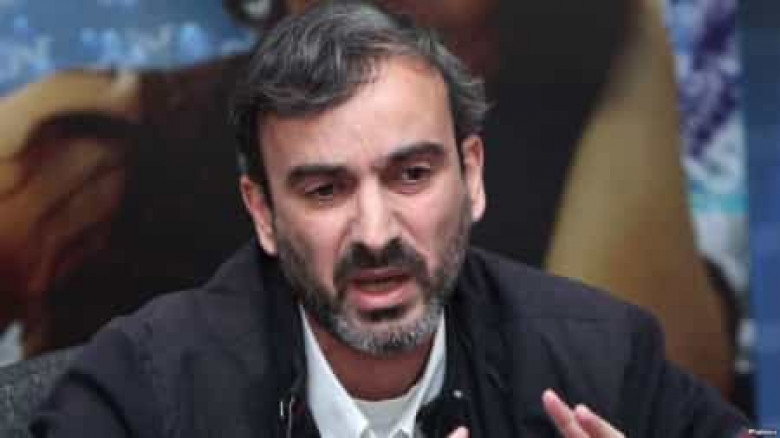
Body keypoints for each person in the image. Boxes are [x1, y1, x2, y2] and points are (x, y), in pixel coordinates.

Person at [31, 3, 746, 437]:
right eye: (325, 190)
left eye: (411, 176)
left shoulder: (599, 353)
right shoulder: (148, 385)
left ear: (472, 177)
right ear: (264, 213)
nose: (376, 234)